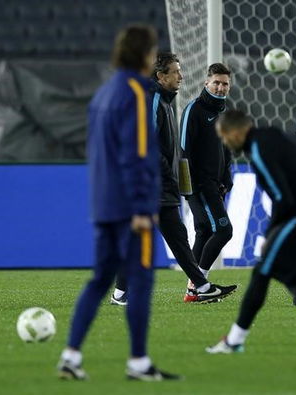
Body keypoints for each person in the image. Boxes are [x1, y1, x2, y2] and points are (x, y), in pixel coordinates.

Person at [57, 26, 179, 381]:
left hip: (104, 203)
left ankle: (71, 355)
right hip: (131, 208)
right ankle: (139, 362)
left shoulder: (103, 94)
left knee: (99, 280)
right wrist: (143, 208)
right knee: (140, 282)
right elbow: (138, 154)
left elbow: (99, 153)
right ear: (145, 55)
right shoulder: (137, 94)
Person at [206, 109, 296, 354]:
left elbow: (283, 199)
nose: (225, 142)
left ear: (237, 131)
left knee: (262, 271)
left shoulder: (259, 148)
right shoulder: (275, 136)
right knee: (294, 275)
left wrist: (270, 235)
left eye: (224, 136)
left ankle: (234, 340)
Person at [110, 53, 237, 305]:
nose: (181, 76)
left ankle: (121, 293)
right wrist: (174, 179)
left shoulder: (164, 101)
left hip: (155, 183)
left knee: (150, 238)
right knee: (180, 237)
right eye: (176, 71)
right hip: (153, 184)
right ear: (161, 76)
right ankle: (200, 286)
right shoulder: (155, 101)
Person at [180, 63, 234, 296]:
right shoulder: (194, 109)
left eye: (225, 84)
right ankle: (199, 284)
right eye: (217, 83)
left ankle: (193, 290)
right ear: (206, 83)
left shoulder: (223, 112)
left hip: (215, 184)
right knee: (224, 231)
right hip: (199, 184)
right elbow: (183, 150)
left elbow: (227, 148)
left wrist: (227, 178)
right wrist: (188, 188)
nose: (221, 88)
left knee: (203, 231)